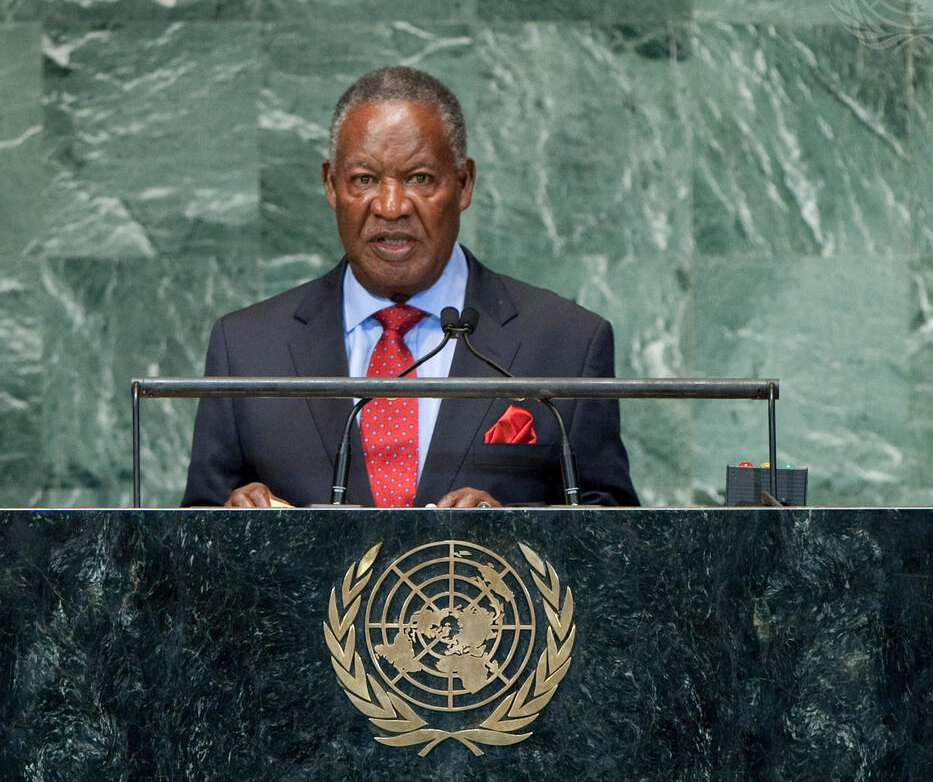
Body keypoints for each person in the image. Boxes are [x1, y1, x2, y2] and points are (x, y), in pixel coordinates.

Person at [183, 66, 638, 508]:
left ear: (463, 184)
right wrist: (234, 524)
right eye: (364, 180)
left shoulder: (567, 343)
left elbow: (615, 533)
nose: (391, 206)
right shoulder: (246, 348)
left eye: (419, 178)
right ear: (331, 185)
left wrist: (510, 533)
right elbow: (192, 535)